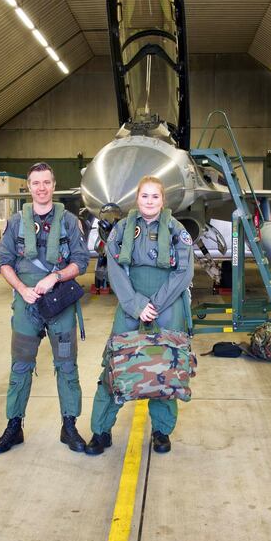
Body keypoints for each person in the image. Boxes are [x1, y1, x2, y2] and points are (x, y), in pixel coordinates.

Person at [85, 176, 194, 455]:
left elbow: (185, 272)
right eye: (144, 196)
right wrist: (135, 305)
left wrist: (154, 304)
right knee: (114, 362)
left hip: (167, 303)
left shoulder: (175, 230)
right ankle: (101, 431)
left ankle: (161, 431)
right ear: (137, 199)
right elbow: (114, 268)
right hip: (130, 301)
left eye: (154, 196)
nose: (149, 201)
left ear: (162, 199)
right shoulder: (122, 229)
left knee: (166, 366)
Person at [0, 162, 90, 454]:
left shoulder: (70, 222)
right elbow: (4, 262)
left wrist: (56, 276)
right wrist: (22, 290)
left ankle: (69, 426)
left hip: (59, 302)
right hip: (26, 304)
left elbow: (80, 262)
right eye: (36, 183)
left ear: (54, 185)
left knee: (66, 365)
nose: (42, 188)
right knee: (20, 366)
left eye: (46, 182)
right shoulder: (16, 222)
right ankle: (14, 426)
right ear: (29, 187)